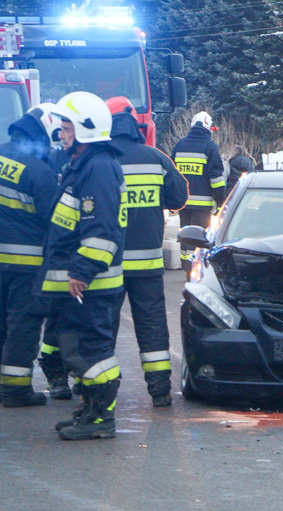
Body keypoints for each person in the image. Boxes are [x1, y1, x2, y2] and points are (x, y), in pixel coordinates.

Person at [40, 91, 126, 440]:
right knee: (76, 349)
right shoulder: (85, 164)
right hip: (78, 281)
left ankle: (101, 418)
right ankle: (90, 410)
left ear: (86, 128)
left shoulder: (98, 167)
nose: (61, 134)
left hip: (90, 284)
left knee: (90, 351)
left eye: (67, 127)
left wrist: (82, 272)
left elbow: (102, 229)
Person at [0, 105, 60, 407]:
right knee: (23, 326)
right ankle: (15, 390)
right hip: (29, 263)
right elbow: (57, 220)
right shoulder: (40, 171)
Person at [105, 96, 188, 407]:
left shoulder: (100, 161)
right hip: (148, 265)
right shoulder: (156, 157)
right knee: (152, 325)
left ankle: (97, 390)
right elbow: (178, 198)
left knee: (103, 328)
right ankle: (160, 391)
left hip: (107, 265)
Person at [172, 111, 224, 274]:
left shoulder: (180, 145)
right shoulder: (210, 147)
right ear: (208, 128)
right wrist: (220, 199)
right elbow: (215, 177)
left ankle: (186, 265)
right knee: (199, 237)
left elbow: (172, 173)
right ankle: (196, 268)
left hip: (183, 202)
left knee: (186, 234)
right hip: (202, 205)